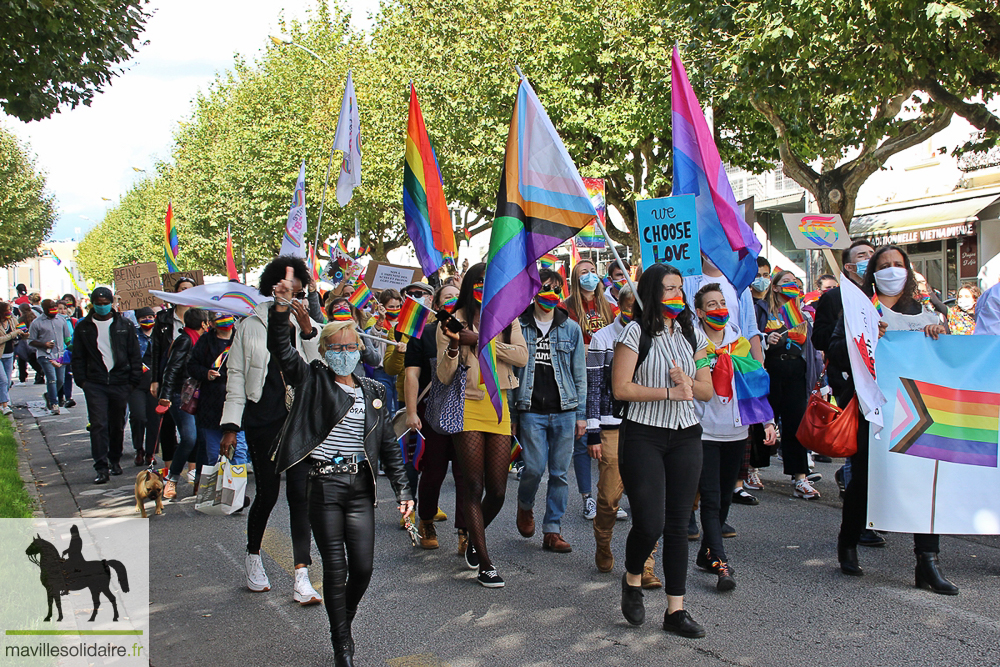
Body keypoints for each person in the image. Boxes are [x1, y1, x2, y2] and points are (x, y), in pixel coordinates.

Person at [268, 266, 413, 666]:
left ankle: (342, 622)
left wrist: (404, 491)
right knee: (336, 569)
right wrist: (282, 309)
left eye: (352, 346)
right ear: (326, 350)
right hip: (324, 488)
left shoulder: (374, 390)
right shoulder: (313, 380)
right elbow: (282, 350)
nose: (346, 352)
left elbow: (388, 445)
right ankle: (342, 647)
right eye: (339, 346)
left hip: (360, 488)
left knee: (363, 570)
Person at [830, 244, 957, 594]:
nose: (891, 270)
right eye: (883, 265)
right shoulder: (860, 310)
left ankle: (927, 561)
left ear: (907, 269)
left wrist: (940, 339)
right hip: (873, 410)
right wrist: (865, 339)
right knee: (866, 479)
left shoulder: (927, 313)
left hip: (917, 412)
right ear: (873, 272)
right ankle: (849, 541)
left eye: (897, 264)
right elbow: (836, 355)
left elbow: (943, 364)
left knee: (923, 480)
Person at [612, 263, 712, 637]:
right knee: (650, 522)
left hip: (686, 435)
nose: (676, 296)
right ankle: (633, 576)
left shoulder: (693, 333)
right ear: (652, 292)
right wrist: (668, 392)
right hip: (644, 435)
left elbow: (706, 390)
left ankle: (676, 610)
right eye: (668, 289)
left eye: (679, 289)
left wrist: (688, 380)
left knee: (678, 524)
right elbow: (621, 388)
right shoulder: (634, 333)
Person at [220, 256, 323, 605]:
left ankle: (301, 575)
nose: (291, 293)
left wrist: (308, 329)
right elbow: (235, 375)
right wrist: (231, 425)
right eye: (285, 288)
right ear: (272, 287)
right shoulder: (250, 325)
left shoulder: (308, 322)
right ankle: (253, 557)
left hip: (301, 420)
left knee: (300, 496)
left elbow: (320, 367)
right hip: (263, 419)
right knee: (267, 494)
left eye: (297, 289)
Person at [437, 263, 528, 587]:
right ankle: (486, 564)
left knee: (499, 490)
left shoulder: (506, 317)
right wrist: (453, 344)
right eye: (477, 282)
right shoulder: (453, 319)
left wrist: (481, 340)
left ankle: (475, 536)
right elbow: (444, 375)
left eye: (488, 283)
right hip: (467, 408)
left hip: (498, 405)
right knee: (474, 486)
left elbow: (521, 356)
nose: (482, 288)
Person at [692, 283, 777, 591]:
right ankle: (721, 563)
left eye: (721, 303)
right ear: (700, 313)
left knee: (725, 495)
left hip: (737, 432)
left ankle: (706, 553)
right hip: (704, 432)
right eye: (711, 305)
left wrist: (767, 421)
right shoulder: (693, 344)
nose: (718, 309)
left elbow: (754, 385)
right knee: (711, 498)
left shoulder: (740, 344)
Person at [586, 285, 662, 587]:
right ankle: (603, 543)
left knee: (648, 500)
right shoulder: (603, 338)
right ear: (620, 305)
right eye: (631, 305)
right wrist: (592, 431)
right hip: (612, 426)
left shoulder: (657, 337)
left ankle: (646, 564)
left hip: (648, 425)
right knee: (608, 497)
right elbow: (594, 388)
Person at [511, 269, 586, 552]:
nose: (551, 293)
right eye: (545, 287)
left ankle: (552, 530)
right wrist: (513, 416)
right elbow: (512, 374)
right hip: (530, 410)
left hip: (565, 410)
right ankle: (525, 505)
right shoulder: (518, 325)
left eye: (557, 288)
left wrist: (581, 416)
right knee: (532, 467)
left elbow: (580, 376)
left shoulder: (571, 328)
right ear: (533, 290)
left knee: (559, 473)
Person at [403, 283, 466, 551]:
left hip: (467, 414)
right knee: (433, 473)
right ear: (437, 305)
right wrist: (411, 412)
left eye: (457, 296)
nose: (453, 300)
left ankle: (465, 529)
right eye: (447, 296)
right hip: (433, 415)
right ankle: (426, 519)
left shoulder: (474, 332)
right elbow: (412, 375)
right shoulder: (424, 335)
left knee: (467, 475)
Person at [71, 287, 143, 484]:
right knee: (98, 424)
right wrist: (82, 381)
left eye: (105, 303)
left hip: (120, 382)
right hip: (95, 383)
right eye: (98, 304)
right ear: (92, 304)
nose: (102, 307)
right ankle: (101, 466)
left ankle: (114, 458)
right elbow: (77, 356)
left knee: (116, 423)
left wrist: (132, 381)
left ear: (112, 303)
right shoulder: (83, 327)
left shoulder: (125, 325)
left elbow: (134, 355)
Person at [763, 271, 821, 499]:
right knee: (764, 421)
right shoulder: (764, 312)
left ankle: (800, 477)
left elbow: (812, 349)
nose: (791, 286)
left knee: (796, 424)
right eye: (786, 282)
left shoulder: (801, 316)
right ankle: (751, 470)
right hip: (771, 372)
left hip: (796, 373)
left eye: (795, 283)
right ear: (775, 287)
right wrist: (767, 339)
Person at [563, 259, 612, 519]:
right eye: (584, 272)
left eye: (593, 271)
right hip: (580, 380)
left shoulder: (610, 307)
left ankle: (608, 495)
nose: (590, 276)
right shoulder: (567, 308)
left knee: (609, 440)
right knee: (582, 441)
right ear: (574, 278)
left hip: (606, 379)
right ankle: (587, 498)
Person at [157, 307, 211, 498]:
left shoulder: (202, 340)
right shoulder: (185, 340)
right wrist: (165, 395)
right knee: (189, 438)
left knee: (200, 439)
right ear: (203, 324)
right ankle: (171, 479)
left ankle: (199, 482)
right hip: (181, 396)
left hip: (197, 395)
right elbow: (171, 370)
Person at [187, 312, 247, 465]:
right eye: (219, 318)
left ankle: (236, 488)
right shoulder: (205, 341)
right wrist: (205, 373)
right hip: (210, 405)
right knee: (214, 455)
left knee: (238, 453)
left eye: (227, 317)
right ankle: (218, 487)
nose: (225, 321)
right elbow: (191, 366)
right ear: (211, 323)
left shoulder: (241, 338)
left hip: (236, 401)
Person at [150, 276, 197, 472]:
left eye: (189, 289)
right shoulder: (164, 318)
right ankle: (168, 468)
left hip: (192, 379)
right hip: (169, 378)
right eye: (181, 288)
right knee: (168, 424)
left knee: (192, 430)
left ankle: (193, 469)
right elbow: (156, 351)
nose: (185, 292)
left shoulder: (202, 317)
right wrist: (155, 380)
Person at [29, 298, 72, 415]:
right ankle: (54, 403)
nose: (54, 310)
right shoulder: (37, 323)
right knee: (52, 379)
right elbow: (31, 341)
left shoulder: (61, 320)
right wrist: (44, 344)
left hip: (60, 354)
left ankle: (49, 395)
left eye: (55, 308)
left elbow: (67, 338)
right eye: (51, 308)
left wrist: (73, 349)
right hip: (45, 355)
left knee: (60, 380)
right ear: (44, 309)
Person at [128, 307, 159, 466]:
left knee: (154, 418)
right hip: (137, 383)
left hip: (155, 382)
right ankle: (138, 448)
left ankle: (150, 452)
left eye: (150, 316)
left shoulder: (160, 334)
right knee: (138, 416)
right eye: (143, 318)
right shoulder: (132, 335)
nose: (147, 320)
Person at [0, 301, 21, 415]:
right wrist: (13, 334)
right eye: (6, 311)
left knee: (7, 381)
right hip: (0, 354)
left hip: (9, 354)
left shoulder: (12, 320)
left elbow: (20, 328)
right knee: (2, 379)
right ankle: (4, 405)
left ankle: (2, 402)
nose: (9, 312)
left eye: (10, 310)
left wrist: (24, 332)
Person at [55, 300, 77, 409]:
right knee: (60, 377)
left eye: (64, 308)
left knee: (68, 375)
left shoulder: (71, 320)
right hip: (59, 352)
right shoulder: (55, 321)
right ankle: (58, 397)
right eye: (60, 308)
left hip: (69, 351)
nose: (62, 311)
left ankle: (68, 397)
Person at [16, 303, 43, 384]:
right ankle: (40, 375)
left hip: (25, 342)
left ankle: (23, 378)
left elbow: (22, 331)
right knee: (34, 359)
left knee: (23, 360)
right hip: (35, 340)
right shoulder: (35, 317)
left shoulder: (21, 319)